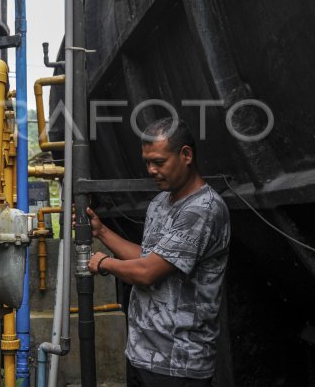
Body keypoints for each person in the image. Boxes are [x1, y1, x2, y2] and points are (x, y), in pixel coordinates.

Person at [86, 117, 230, 386]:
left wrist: (104, 263)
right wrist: (102, 231)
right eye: (147, 162)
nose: (151, 170)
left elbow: (148, 272)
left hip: (179, 364)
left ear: (186, 155)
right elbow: (148, 257)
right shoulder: (160, 202)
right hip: (143, 355)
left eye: (159, 162)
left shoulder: (202, 210)